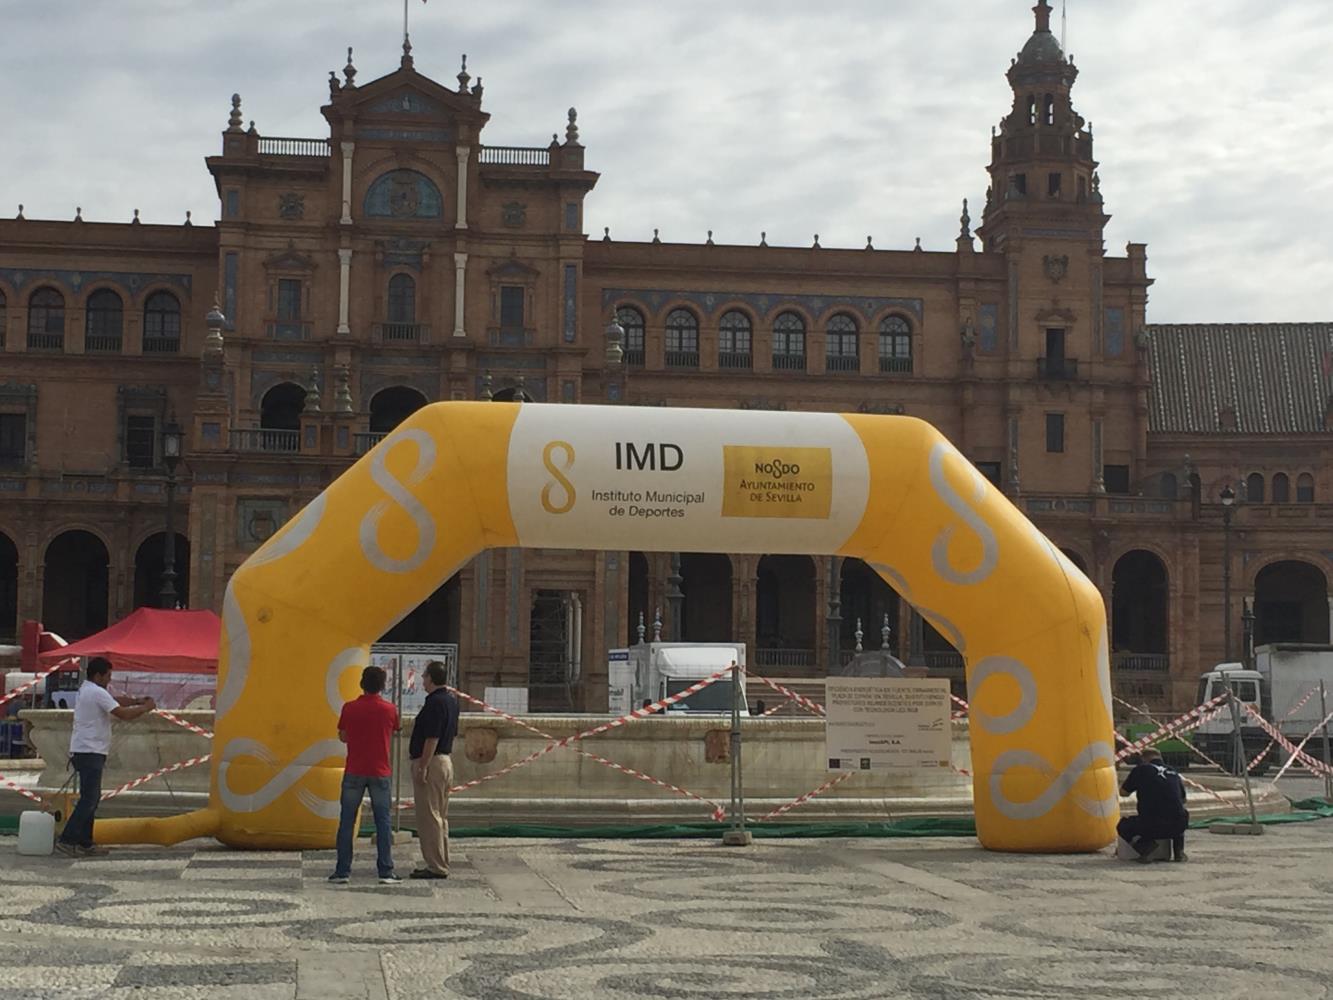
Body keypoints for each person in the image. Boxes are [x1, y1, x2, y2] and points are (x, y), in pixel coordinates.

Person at [55, 657, 155, 857]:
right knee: (90, 798)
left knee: (91, 798)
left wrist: (137, 700)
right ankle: (68, 839)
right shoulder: (96, 692)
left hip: (86, 750)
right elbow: (123, 714)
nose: (110, 679)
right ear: (98, 675)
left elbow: (115, 700)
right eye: (108, 675)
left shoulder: (88, 689)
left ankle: (85, 842)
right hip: (90, 751)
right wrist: (145, 708)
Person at [329, 666, 402, 886]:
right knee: (383, 821)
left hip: (354, 770)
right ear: (382, 685)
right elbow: (395, 729)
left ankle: (342, 871)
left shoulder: (349, 708)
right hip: (380, 771)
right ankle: (385, 871)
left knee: (347, 822)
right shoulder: (389, 709)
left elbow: (343, 736)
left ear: (362, 683)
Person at [408, 660, 459, 880]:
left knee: (429, 815)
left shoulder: (435, 703)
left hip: (433, 761)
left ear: (431, 678)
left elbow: (432, 737)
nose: (422, 680)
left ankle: (435, 864)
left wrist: (423, 765)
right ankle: (441, 859)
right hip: (445, 760)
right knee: (440, 815)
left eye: (424, 676)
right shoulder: (451, 701)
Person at [1117, 747, 1189, 863]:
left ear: (1143, 758)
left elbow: (1123, 793)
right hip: (1177, 826)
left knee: (1123, 825)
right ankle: (1179, 852)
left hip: (1152, 826)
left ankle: (1145, 848)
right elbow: (1184, 800)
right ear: (1160, 757)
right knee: (1179, 813)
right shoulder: (1173, 771)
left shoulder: (1140, 769)